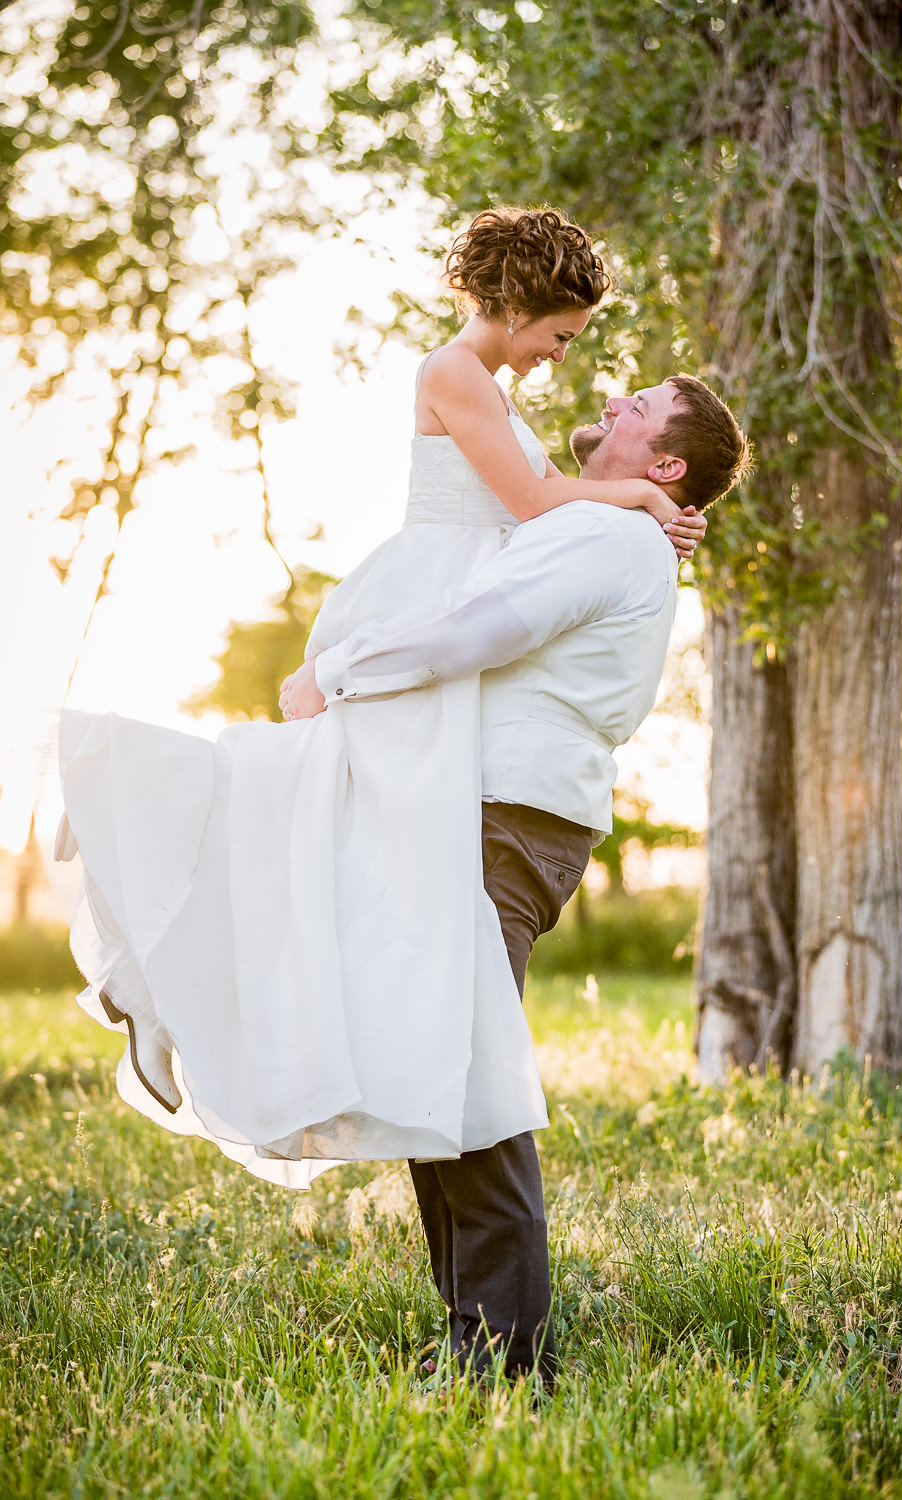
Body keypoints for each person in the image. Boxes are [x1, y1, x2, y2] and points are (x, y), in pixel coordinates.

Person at [56, 207, 706, 1186]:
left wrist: (650, 503)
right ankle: (151, 968)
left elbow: (542, 503)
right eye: (558, 335)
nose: (561, 359)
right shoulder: (453, 371)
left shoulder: (506, 403)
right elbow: (530, 504)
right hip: (425, 599)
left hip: (460, 623)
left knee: (317, 849)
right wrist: (647, 496)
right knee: (279, 794)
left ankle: (178, 997)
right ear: (516, 302)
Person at [279, 371, 752, 1387]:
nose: (611, 400)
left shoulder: (609, 537)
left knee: (466, 1073)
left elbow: (477, 629)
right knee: (434, 1064)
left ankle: (503, 1356)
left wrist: (335, 670)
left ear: (665, 462)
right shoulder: (606, 521)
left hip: (500, 818)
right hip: (494, 810)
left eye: (637, 408)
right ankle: (475, 1336)